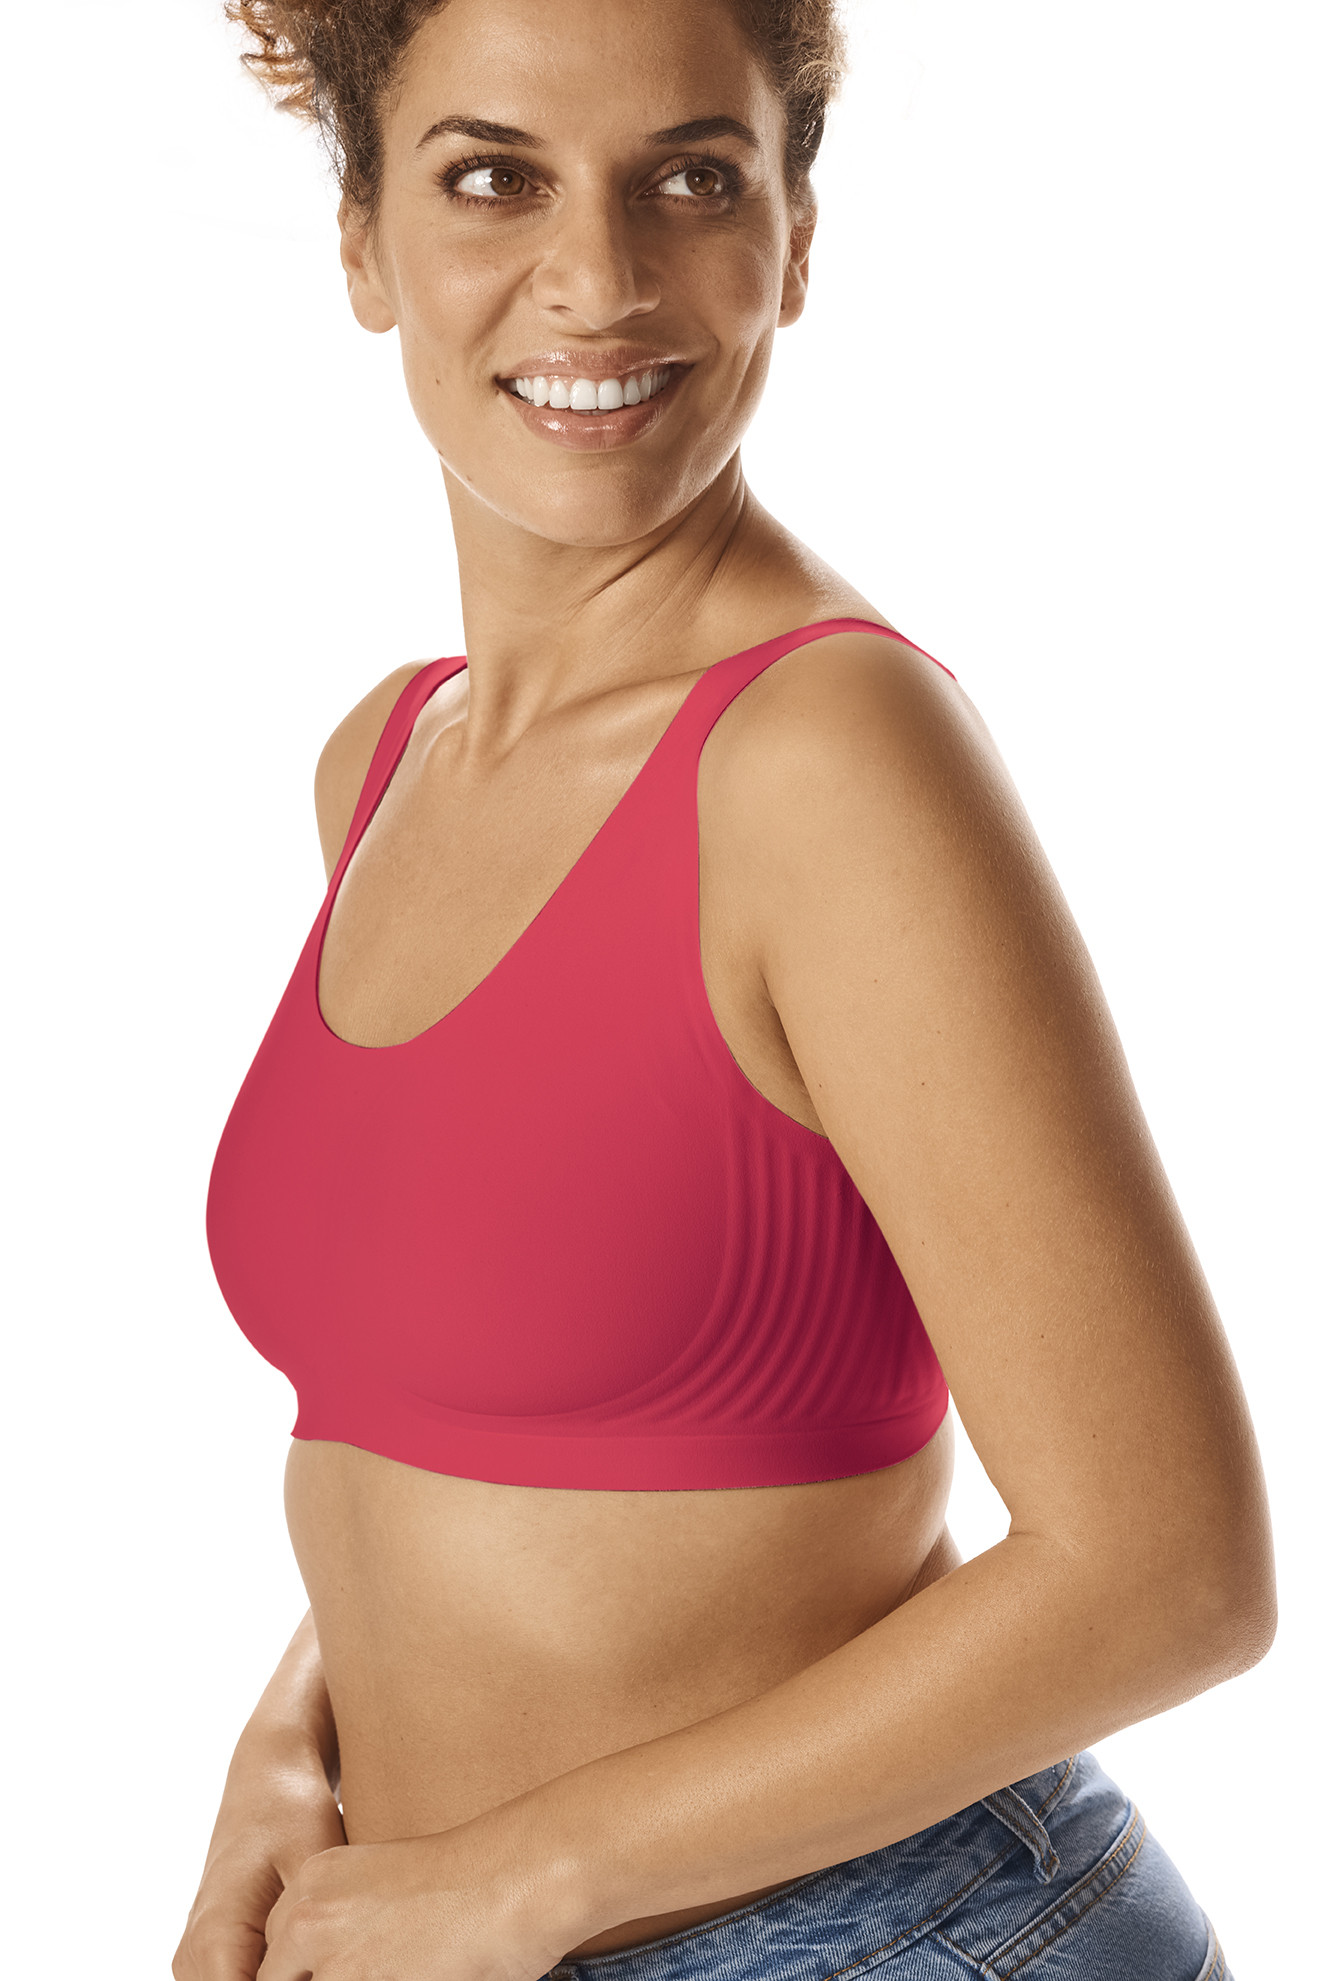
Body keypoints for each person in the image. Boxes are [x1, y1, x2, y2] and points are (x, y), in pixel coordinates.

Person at [175, 2, 1275, 1977]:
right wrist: (291, 1753)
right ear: (361, 237)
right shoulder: (385, 758)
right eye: (491, 178)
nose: (595, 281)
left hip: (892, 1935)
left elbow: (1170, 1573)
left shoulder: (827, 757)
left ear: (795, 235)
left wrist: (525, 1875)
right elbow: (443, 1437)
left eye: (691, 179)